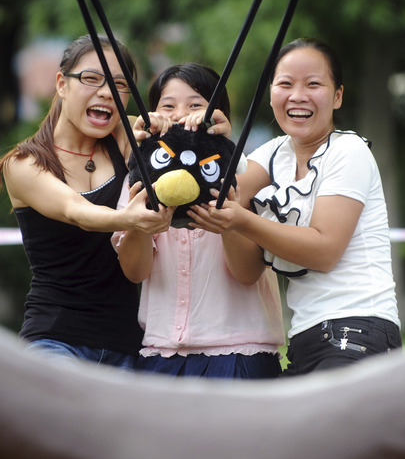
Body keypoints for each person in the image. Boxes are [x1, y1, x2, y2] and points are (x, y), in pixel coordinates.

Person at [190, 38, 401, 376]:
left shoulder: (349, 151)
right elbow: (244, 265)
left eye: (313, 84)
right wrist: (209, 144)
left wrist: (241, 219)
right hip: (305, 339)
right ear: (271, 91)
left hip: (360, 328)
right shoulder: (272, 154)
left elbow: (324, 250)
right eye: (285, 84)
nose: (297, 96)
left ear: (338, 96)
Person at [0, 34, 175, 370]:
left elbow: (187, 154)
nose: (106, 92)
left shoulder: (124, 138)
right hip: (55, 339)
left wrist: (172, 131)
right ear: (62, 84)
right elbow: (76, 211)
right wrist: (129, 219)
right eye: (91, 79)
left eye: (120, 85)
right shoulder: (24, 163)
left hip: (129, 345)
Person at [112, 63, 285, 379]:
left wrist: (228, 219)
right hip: (161, 354)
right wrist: (142, 217)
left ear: (218, 118)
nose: (180, 114)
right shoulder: (141, 180)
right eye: (168, 105)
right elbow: (135, 271)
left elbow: (248, 272)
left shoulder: (242, 173)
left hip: (240, 352)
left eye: (196, 105)